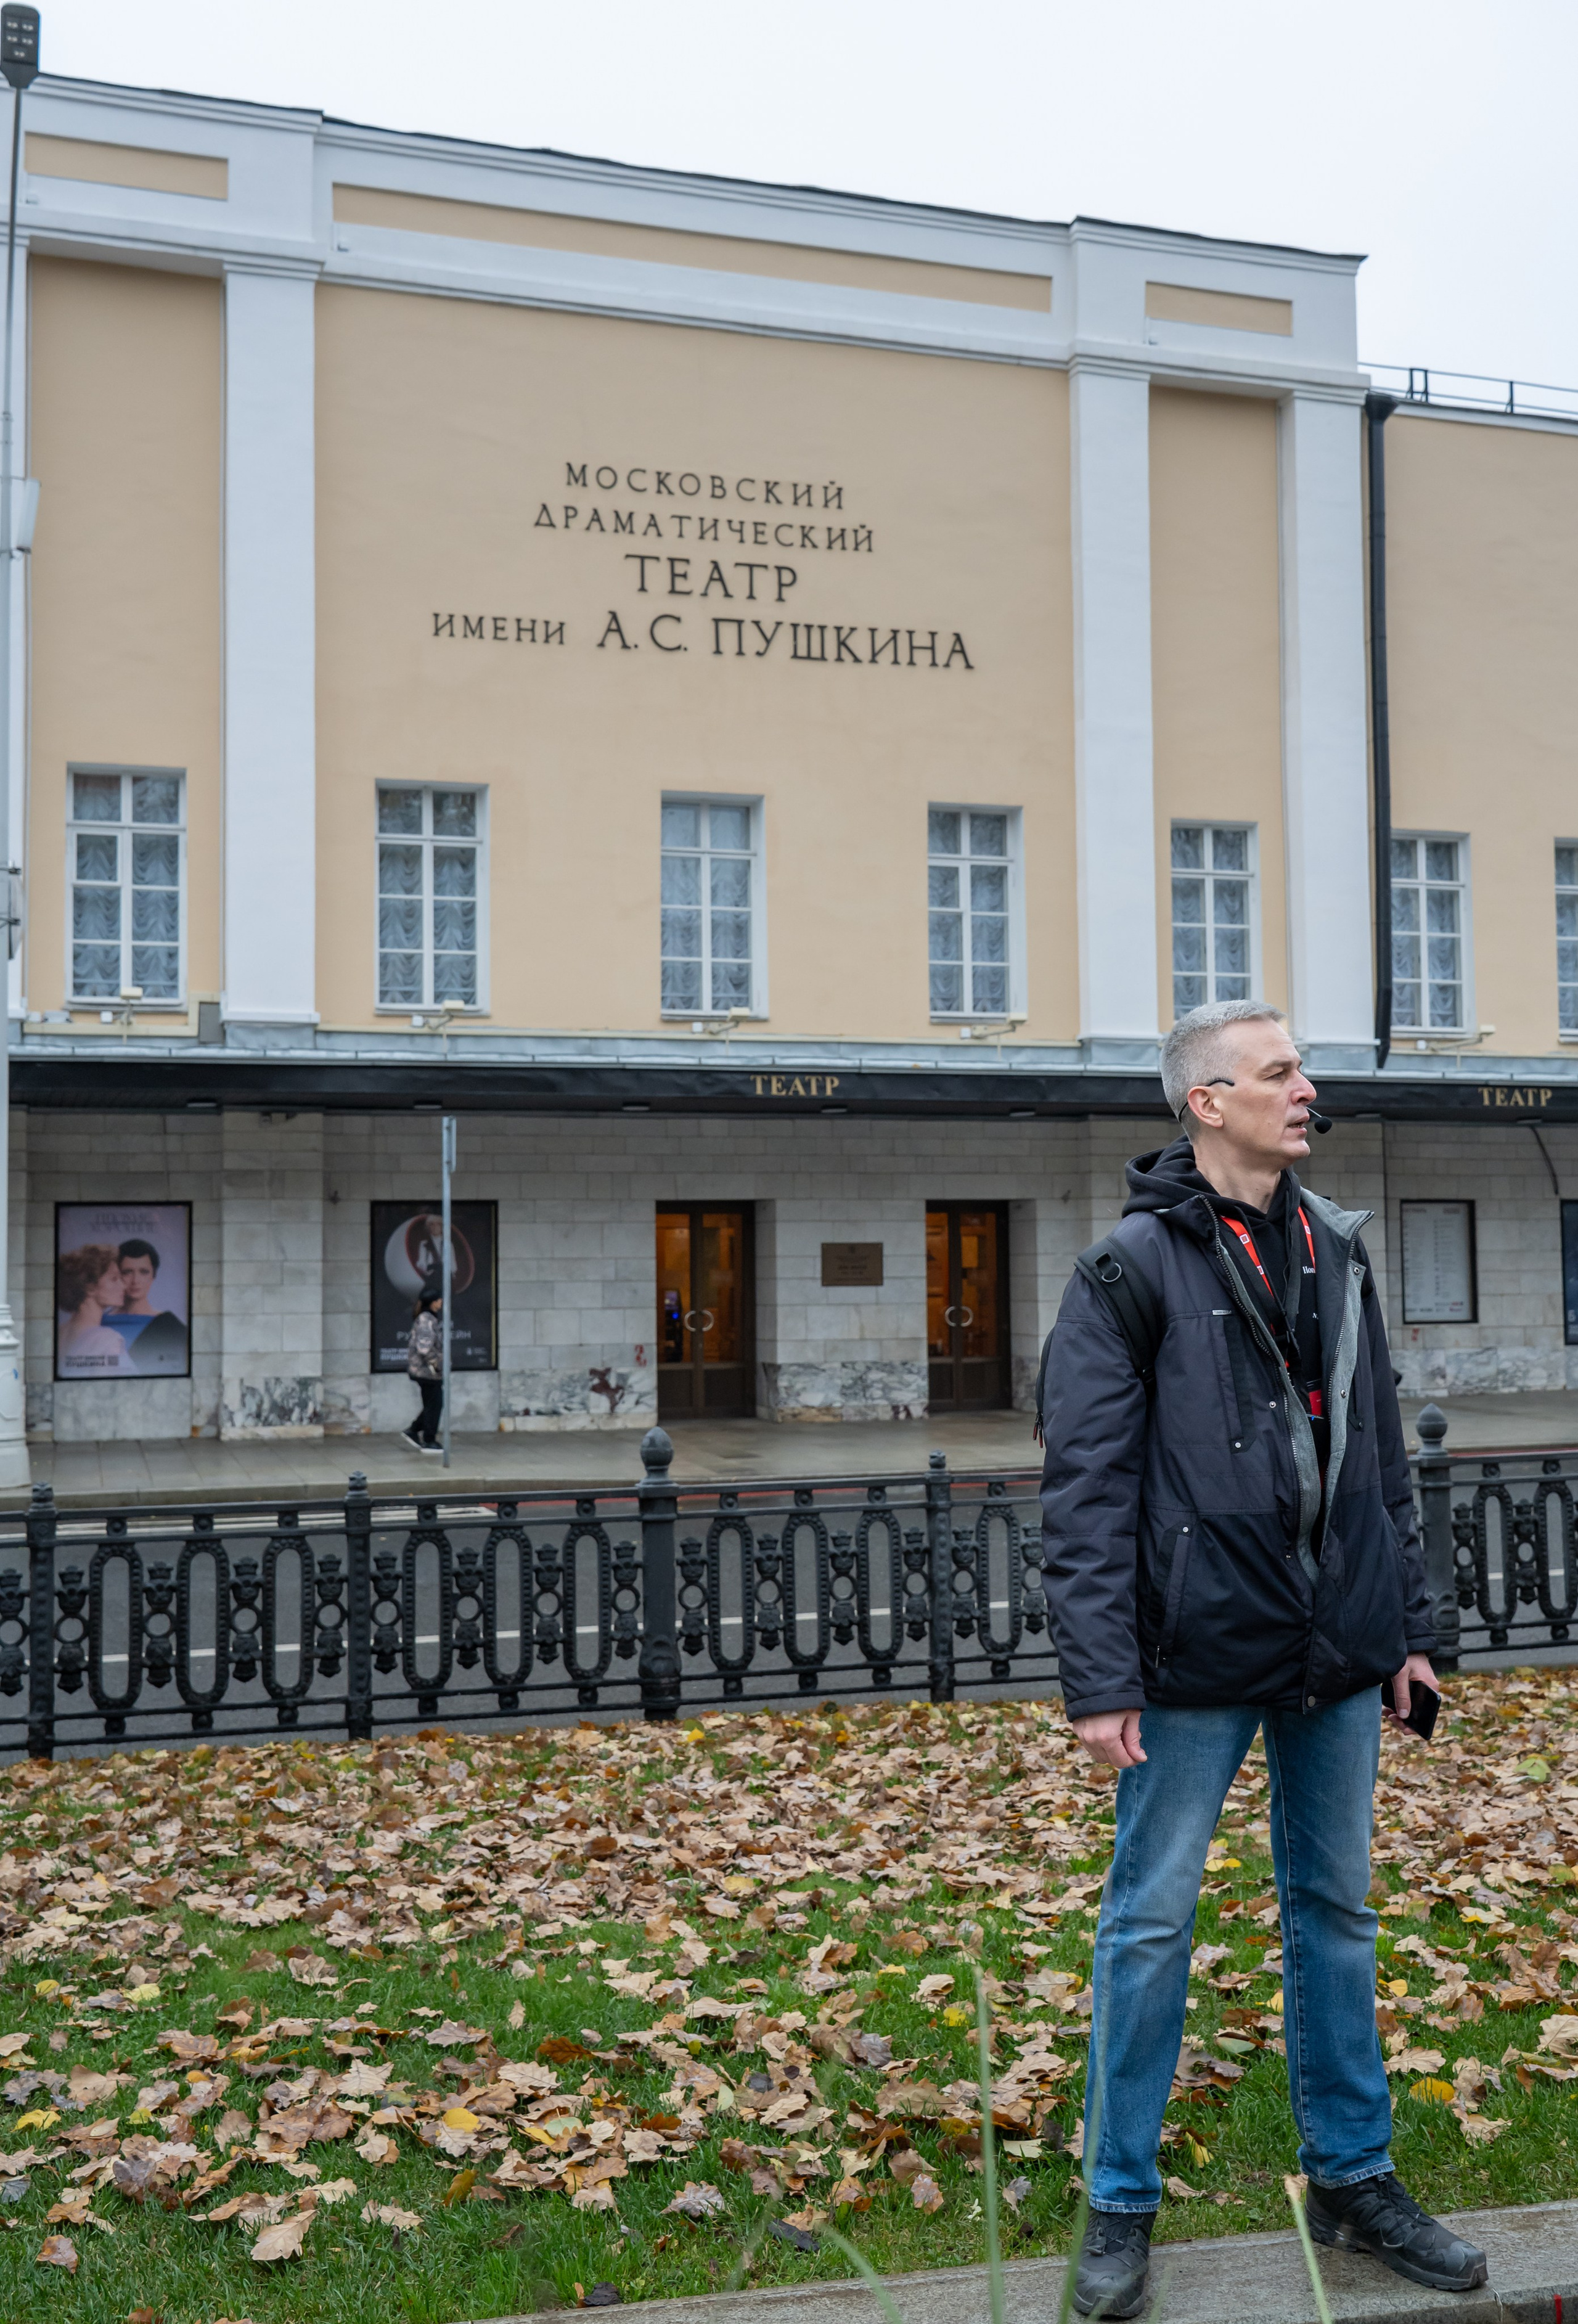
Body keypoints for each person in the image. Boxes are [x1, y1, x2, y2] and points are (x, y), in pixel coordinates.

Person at [1039, 1000, 1486, 2318]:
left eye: (1300, 1067)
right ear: (1205, 1102)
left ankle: (1352, 2176)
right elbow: (1083, 1491)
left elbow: (1375, 1468)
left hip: (1335, 1648)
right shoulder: (1126, 1270)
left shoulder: (1336, 1248)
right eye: (1277, 1070)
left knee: (1335, 1913)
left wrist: (1406, 1631)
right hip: (1188, 1656)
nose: (1304, 1087)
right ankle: (1117, 2199)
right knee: (1147, 1924)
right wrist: (1099, 1677)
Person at [111, 1237, 189, 1374]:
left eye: (144, 1272)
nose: (136, 1281)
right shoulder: (99, 1322)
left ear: (153, 1276)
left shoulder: (171, 1327)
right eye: (128, 1272)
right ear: (117, 1275)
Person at [57, 1244, 135, 1375]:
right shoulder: (108, 1341)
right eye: (114, 1279)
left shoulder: (61, 1333)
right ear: (90, 1287)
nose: (123, 1286)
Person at [403, 1290, 445, 1453]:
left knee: (433, 1404)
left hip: (427, 1371)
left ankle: (413, 1431)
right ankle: (429, 1440)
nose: (441, 1302)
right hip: (426, 1372)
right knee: (434, 1404)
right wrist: (436, 1366)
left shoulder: (428, 1319)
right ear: (433, 1302)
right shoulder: (426, 1320)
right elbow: (424, 1349)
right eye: (439, 1299)